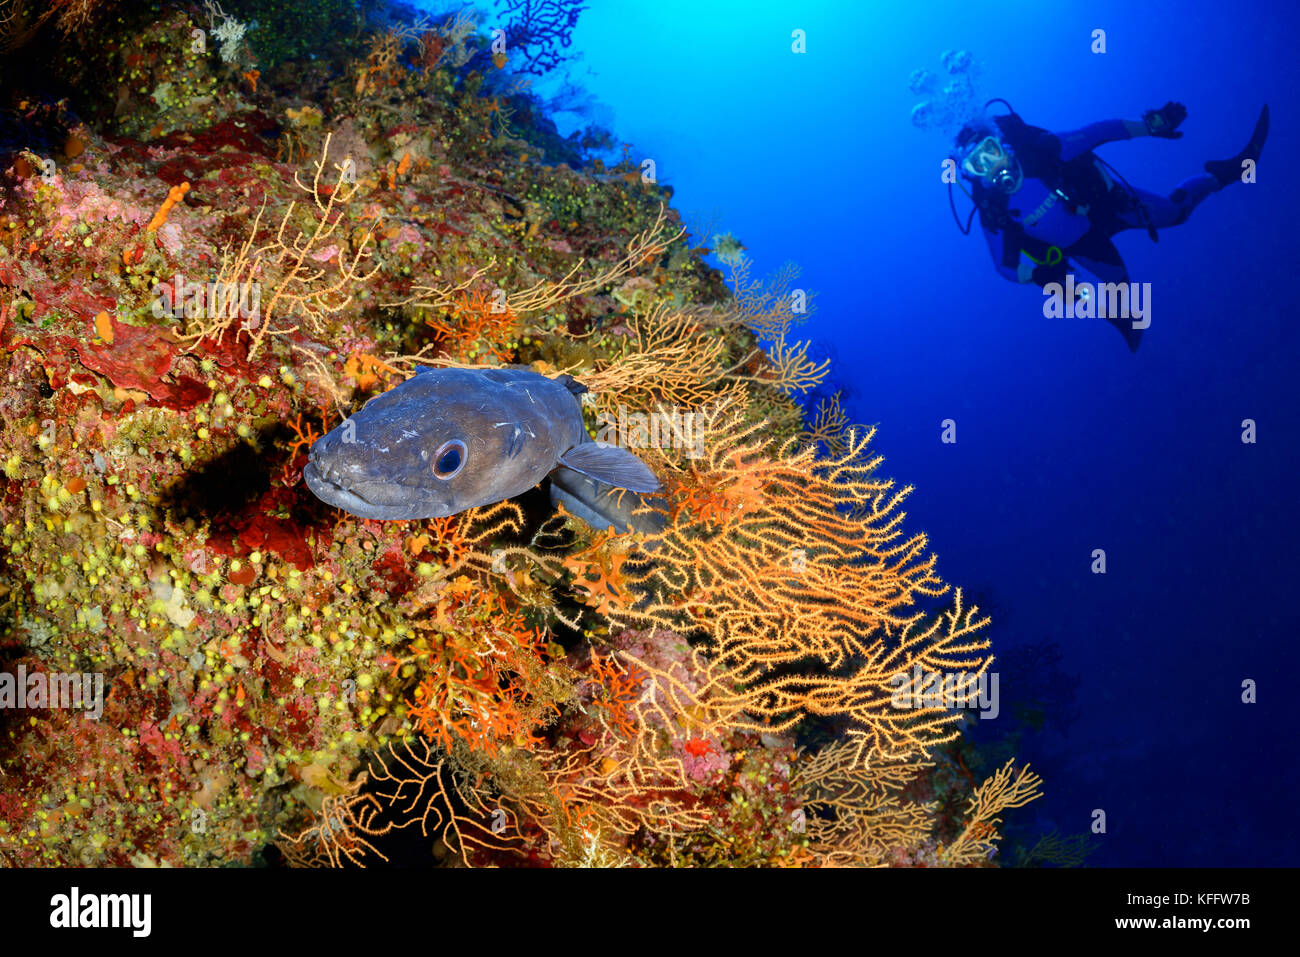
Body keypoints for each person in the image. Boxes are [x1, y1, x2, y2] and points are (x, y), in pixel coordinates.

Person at [952, 101, 1269, 351]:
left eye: (991, 151)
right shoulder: (992, 210)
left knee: (1176, 214)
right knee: (1113, 291)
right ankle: (1122, 322)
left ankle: (1227, 174)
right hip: (1083, 246)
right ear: (972, 174)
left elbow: (1098, 132)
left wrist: (1150, 125)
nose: (992, 166)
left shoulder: (1041, 150)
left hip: (1108, 204)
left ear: (1002, 144)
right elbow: (1003, 266)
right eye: (978, 163)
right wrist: (1036, 275)